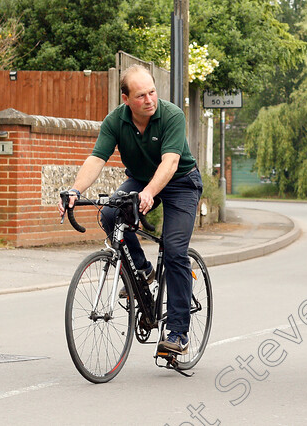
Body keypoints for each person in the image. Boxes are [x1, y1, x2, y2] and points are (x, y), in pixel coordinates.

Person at [59, 64, 203, 356]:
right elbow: (97, 158)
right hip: (140, 178)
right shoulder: (115, 121)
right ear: (126, 99)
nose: (149, 100)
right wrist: (75, 190)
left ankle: (178, 333)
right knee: (110, 213)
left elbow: (170, 162)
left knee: (175, 250)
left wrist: (149, 193)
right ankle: (143, 270)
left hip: (180, 182)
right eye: (140, 96)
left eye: (152, 92)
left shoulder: (172, 115)